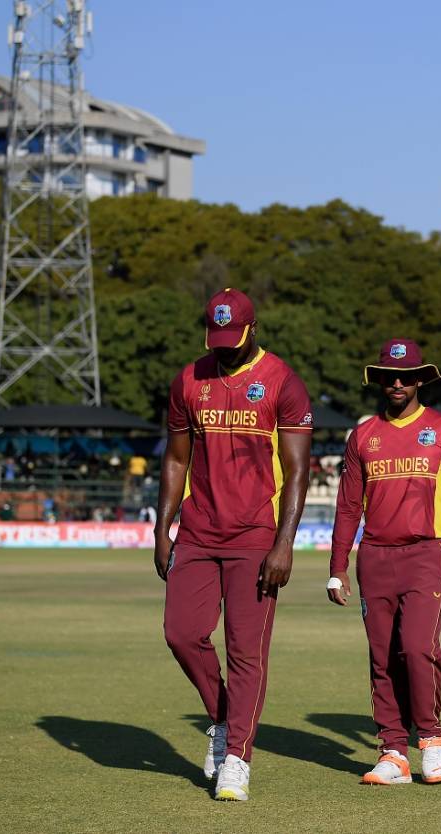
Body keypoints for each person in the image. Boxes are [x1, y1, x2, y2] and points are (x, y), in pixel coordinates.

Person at [155, 287, 313, 801]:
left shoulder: (282, 381)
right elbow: (176, 460)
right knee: (181, 634)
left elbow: (296, 471)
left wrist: (283, 544)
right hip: (198, 532)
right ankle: (223, 721)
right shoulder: (189, 378)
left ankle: (237, 759)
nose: (224, 348)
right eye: (216, 339)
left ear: (254, 330)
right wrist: (163, 527)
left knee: (247, 653)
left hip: (255, 537)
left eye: (234, 339)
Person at [328, 339, 441, 786]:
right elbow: (348, 505)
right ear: (378, 380)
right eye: (389, 376)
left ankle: (431, 741)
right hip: (374, 557)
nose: (397, 382)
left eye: (406, 375)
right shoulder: (363, 436)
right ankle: (393, 751)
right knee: (382, 656)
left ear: (420, 380)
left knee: (417, 648)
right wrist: (338, 566)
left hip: (426, 553)